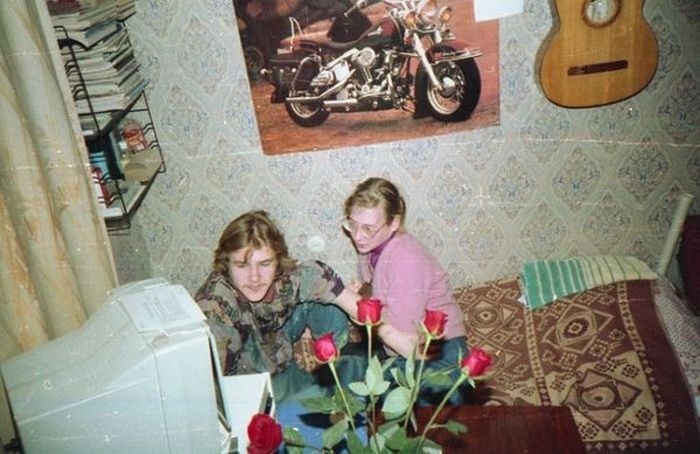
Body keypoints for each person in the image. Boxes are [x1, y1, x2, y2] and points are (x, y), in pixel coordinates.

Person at [194, 210, 411, 403]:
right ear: (226, 264)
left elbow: (356, 306)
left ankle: (341, 362)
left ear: (278, 261)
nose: (254, 277)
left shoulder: (288, 279)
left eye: (264, 264)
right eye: (242, 265)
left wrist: (403, 345)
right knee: (319, 403)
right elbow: (209, 393)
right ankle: (328, 390)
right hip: (252, 374)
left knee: (324, 293)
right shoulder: (215, 307)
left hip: (277, 338)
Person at [342, 177, 470, 404]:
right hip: (404, 350)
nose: (357, 236)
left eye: (368, 228)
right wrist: (364, 294)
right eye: (352, 224)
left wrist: (356, 306)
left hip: (439, 353)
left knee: (379, 407)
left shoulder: (405, 258)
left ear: (394, 223)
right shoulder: (369, 249)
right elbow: (381, 294)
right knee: (347, 387)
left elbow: (402, 336)